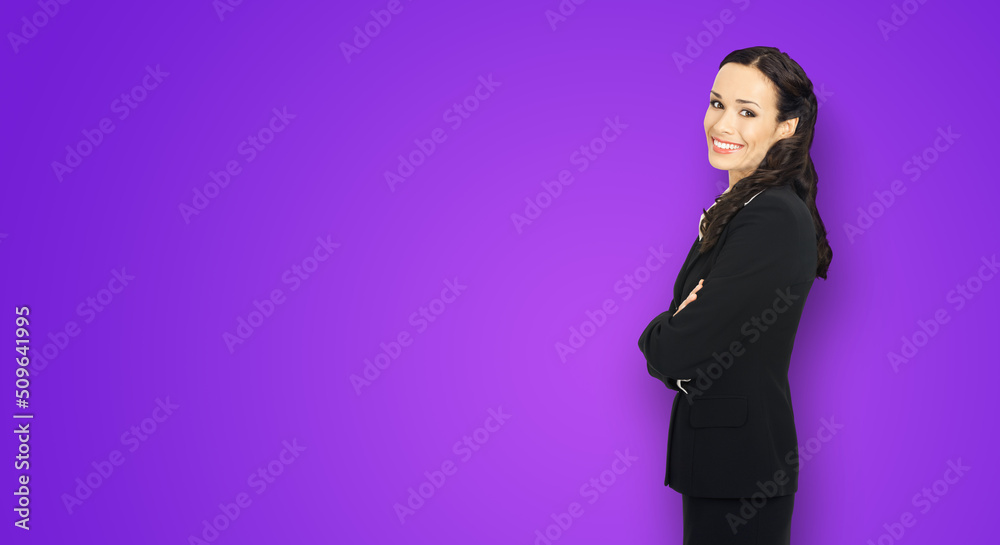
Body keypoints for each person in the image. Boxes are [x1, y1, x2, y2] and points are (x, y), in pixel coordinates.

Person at [637, 46, 833, 544]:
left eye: (748, 112)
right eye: (717, 103)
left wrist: (661, 332)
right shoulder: (743, 207)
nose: (722, 124)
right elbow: (691, 345)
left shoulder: (769, 217)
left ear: (786, 127)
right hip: (724, 464)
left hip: (740, 471)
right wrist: (681, 328)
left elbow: (674, 349)